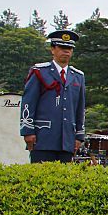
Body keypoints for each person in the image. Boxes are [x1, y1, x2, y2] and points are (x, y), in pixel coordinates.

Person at [20, 30, 85, 164]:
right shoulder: (39, 72)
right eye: (62, 47)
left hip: (67, 139)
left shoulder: (78, 76)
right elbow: (28, 103)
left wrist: (79, 135)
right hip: (43, 137)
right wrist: (27, 131)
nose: (66, 51)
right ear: (53, 49)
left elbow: (80, 108)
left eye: (69, 48)